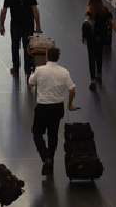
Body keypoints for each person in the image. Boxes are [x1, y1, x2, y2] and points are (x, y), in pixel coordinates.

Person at [28, 47, 78, 176]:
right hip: (57, 108)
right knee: (53, 134)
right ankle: (50, 158)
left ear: (46, 56)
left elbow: (30, 83)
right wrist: (70, 104)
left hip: (42, 107)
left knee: (37, 133)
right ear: (58, 57)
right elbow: (72, 89)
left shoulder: (40, 70)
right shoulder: (64, 72)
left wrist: (33, 73)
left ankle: (46, 158)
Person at [0, 0, 41, 76]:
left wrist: (2, 25)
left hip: (15, 25)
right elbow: (35, 10)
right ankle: (28, 69)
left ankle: (16, 69)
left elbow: (4, 11)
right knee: (27, 47)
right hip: (28, 25)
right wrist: (38, 26)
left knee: (15, 46)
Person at [82, 0, 116, 90]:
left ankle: (92, 80)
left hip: (91, 38)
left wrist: (84, 36)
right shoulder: (105, 10)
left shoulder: (90, 11)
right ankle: (99, 74)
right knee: (99, 55)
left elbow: (87, 22)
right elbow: (113, 22)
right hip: (101, 37)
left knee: (91, 57)